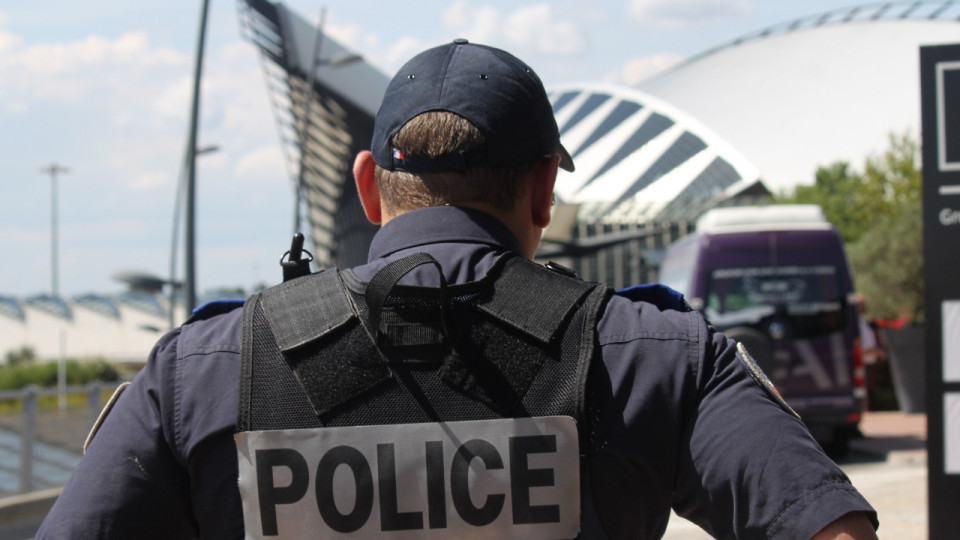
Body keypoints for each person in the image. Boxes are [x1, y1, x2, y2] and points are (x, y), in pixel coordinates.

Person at [37, 40, 878, 539]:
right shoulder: (653, 355)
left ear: (368, 189)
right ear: (544, 190)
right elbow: (828, 528)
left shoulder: (204, 369)